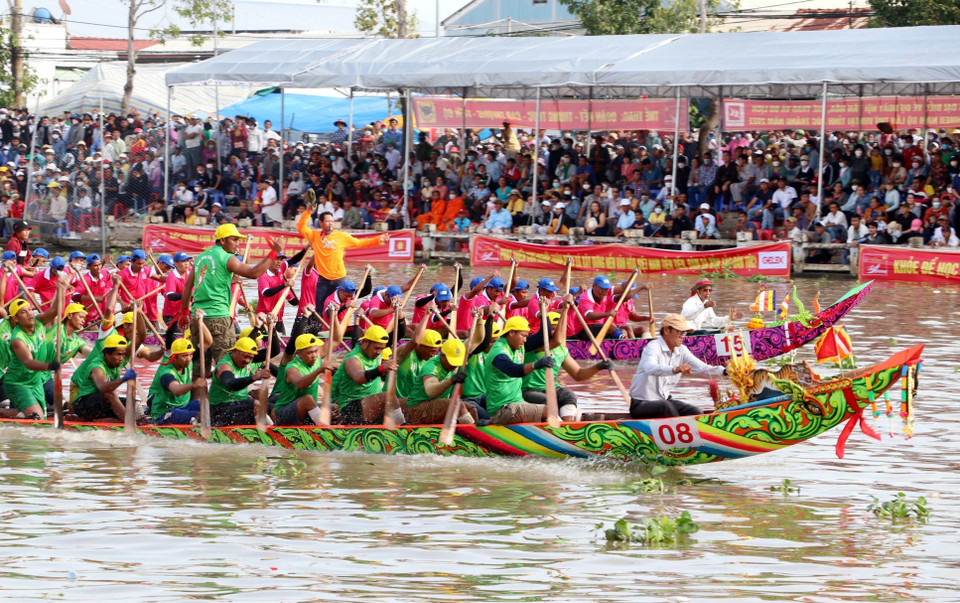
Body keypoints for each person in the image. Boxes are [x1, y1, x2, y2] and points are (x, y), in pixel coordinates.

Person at [180, 223, 284, 376]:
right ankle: (228, 399)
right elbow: (254, 273)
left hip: (197, 318)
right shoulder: (228, 258)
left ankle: (199, 399)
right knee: (227, 367)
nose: (237, 243)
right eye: (234, 239)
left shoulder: (200, 258)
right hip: (219, 319)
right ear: (222, 241)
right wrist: (275, 251)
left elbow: (188, 288)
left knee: (199, 370)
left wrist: (184, 312)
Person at [521, 305, 611, 421]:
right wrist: (565, 309)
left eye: (556, 329)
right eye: (551, 329)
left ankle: (568, 427)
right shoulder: (535, 345)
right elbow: (558, 340)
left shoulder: (561, 350)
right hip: (529, 391)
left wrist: (598, 367)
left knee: (568, 395)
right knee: (549, 401)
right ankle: (558, 427)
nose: (553, 333)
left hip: (551, 389)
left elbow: (578, 374)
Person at [628, 313, 725, 419]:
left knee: (696, 411)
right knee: (665, 407)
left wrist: (725, 371)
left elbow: (703, 369)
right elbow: (650, 368)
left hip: (664, 401)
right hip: (641, 404)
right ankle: (679, 433)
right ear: (666, 330)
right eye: (679, 331)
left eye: (684, 332)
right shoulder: (653, 347)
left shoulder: (682, 350)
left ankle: (698, 432)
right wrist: (675, 369)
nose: (683, 336)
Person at [297, 209, 388, 315]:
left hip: (339, 278)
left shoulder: (342, 236)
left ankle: (340, 327)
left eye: (332, 221)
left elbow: (360, 243)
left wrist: (378, 239)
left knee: (342, 306)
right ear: (321, 223)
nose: (330, 223)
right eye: (327, 221)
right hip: (323, 279)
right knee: (319, 309)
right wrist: (308, 212)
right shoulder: (315, 236)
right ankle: (320, 330)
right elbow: (301, 228)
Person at [483, 316, 562, 424]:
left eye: (526, 336)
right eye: (523, 336)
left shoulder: (518, 345)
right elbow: (513, 370)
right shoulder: (499, 351)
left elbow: (542, 337)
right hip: (503, 409)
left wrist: (544, 314)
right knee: (550, 411)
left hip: (517, 404)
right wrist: (536, 364)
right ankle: (564, 436)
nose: (525, 340)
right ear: (511, 333)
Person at [330, 325, 399, 425]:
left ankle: (404, 426)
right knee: (388, 396)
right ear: (366, 342)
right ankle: (403, 428)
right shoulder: (353, 359)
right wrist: (380, 369)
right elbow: (358, 377)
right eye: (376, 348)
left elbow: (399, 332)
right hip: (350, 408)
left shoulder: (375, 353)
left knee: (406, 403)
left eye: (382, 349)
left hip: (370, 405)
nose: (379, 352)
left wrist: (400, 315)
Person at [403, 338, 477, 425]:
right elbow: (431, 391)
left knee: (472, 409)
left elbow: (477, 339)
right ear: (442, 356)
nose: (455, 365)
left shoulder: (452, 359)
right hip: (417, 409)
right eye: (453, 362)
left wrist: (481, 323)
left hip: (435, 406)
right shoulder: (431, 367)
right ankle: (474, 434)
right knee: (457, 404)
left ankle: (478, 430)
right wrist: (451, 380)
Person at [69, 333, 138, 422]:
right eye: (118, 354)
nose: (121, 358)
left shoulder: (114, 364)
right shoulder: (97, 366)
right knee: (110, 394)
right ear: (106, 353)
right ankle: (130, 423)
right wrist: (123, 379)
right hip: (83, 406)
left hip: (100, 404)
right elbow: (102, 387)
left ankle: (139, 421)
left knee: (133, 403)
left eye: (123, 354)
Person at [270, 333, 336, 426]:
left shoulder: (317, 360)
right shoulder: (292, 368)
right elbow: (301, 384)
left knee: (334, 408)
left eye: (316, 351)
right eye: (310, 352)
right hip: (283, 413)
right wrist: (319, 370)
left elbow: (336, 339)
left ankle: (340, 429)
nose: (314, 355)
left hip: (305, 412)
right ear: (299, 353)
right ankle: (324, 431)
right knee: (307, 400)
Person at [209, 336, 274, 426]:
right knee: (255, 404)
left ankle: (280, 427)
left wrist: (273, 328)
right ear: (235, 351)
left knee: (273, 408)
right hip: (219, 410)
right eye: (245, 357)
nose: (247, 361)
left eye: (250, 358)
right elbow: (230, 384)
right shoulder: (224, 366)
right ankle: (271, 432)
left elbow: (273, 350)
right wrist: (254, 377)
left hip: (236, 406)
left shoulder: (248, 361)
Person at [149, 338, 205, 425]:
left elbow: (208, 342)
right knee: (199, 415)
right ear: (174, 357)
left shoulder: (186, 364)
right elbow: (176, 390)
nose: (188, 359)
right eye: (184, 356)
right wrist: (193, 384)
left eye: (190, 355)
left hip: (184, 407)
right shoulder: (166, 373)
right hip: (165, 414)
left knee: (207, 407)